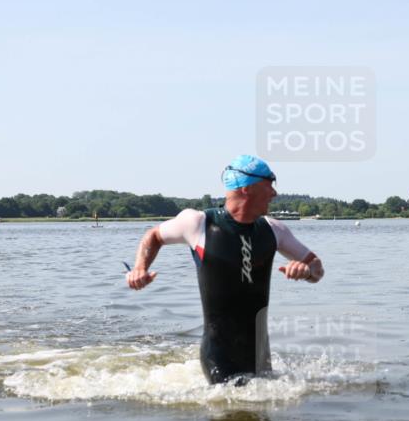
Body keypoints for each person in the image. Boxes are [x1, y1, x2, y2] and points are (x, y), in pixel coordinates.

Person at [126, 155, 325, 384]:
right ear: (247, 188)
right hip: (218, 355)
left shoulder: (274, 230)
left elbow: (317, 267)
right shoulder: (199, 223)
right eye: (270, 184)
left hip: (260, 354)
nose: (274, 193)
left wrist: (307, 271)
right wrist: (140, 268)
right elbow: (153, 235)